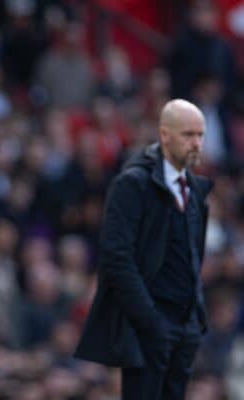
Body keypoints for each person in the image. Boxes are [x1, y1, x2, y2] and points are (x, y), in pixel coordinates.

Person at [75, 99, 213, 399]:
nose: (196, 143)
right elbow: (116, 256)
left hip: (184, 325)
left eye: (200, 135)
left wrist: (196, 314)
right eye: (188, 135)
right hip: (150, 324)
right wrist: (149, 319)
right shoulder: (133, 184)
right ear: (164, 135)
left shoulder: (197, 190)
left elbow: (193, 253)